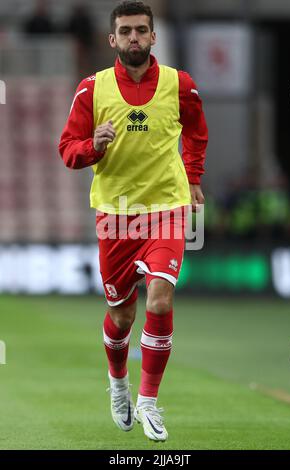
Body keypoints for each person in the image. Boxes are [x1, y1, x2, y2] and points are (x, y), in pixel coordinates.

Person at [59, 1, 208, 442]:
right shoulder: (92, 90)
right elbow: (67, 149)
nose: (134, 39)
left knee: (160, 300)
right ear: (112, 40)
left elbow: (197, 130)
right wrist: (93, 146)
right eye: (125, 32)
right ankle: (119, 384)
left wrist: (194, 177)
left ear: (153, 36)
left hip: (166, 207)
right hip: (116, 217)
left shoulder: (180, 85)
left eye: (141, 30)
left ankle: (148, 401)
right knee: (122, 315)